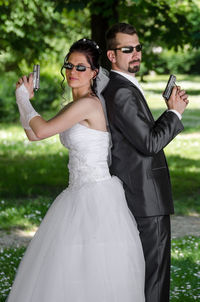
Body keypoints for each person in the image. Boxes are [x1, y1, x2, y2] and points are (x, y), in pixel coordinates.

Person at [6, 38, 145, 302]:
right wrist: (22, 103)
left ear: (94, 73)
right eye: (69, 65)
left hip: (96, 195)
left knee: (92, 266)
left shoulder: (89, 104)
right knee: (68, 267)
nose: (72, 71)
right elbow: (35, 136)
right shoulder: (72, 106)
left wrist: (23, 98)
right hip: (76, 192)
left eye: (81, 67)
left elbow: (43, 129)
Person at [102, 23, 189, 302]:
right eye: (127, 49)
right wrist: (174, 114)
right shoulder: (122, 91)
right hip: (145, 199)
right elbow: (149, 143)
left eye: (138, 48)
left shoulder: (121, 86)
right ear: (111, 56)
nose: (136, 54)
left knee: (145, 276)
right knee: (154, 279)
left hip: (139, 196)